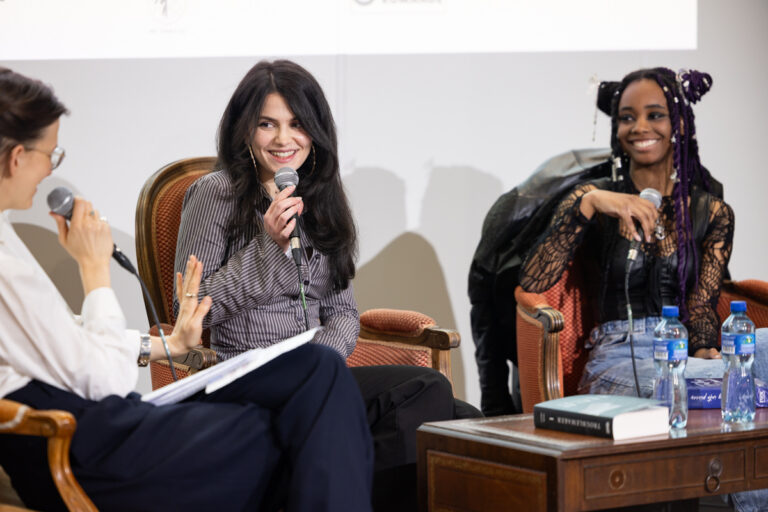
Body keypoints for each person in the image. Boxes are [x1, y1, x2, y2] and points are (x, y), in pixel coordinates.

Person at [0, 67, 373, 511]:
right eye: (51, 154)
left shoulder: (7, 242)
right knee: (299, 411)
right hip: (86, 439)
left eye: (296, 124)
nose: (50, 169)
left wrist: (167, 345)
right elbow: (104, 379)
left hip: (97, 424)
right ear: (16, 157)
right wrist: (96, 270)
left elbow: (64, 338)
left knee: (357, 398)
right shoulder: (215, 194)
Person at [174, 59, 481, 511]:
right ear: (244, 131)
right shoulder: (214, 194)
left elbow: (342, 311)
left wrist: (323, 365)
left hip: (317, 375)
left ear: (314, 131)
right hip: (242, 373)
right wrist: (269, 247)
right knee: (427, 390)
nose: (284, 139)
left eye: (297, 124)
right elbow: (192, 305)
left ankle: (303, 487)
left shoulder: (319, 199)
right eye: (267, 124)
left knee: (462, 423)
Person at [520, 67, 768, 511]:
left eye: (655, 114)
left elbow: (703, 305)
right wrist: (588, 203)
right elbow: (533, 281)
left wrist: (710, 350)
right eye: (626, 117)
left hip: (683, 352)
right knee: (733, 387)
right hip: (619, 354)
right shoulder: (595, 199)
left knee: (753, 358)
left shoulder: (712, 211)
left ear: (679, 125)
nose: (639, 127)